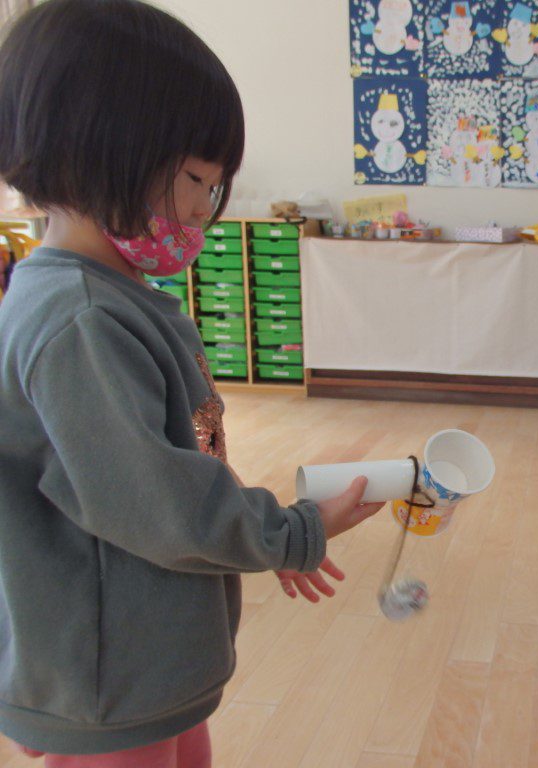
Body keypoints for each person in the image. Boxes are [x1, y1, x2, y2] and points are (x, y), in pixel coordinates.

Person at [0, 2, 383, 765]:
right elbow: (158, 500)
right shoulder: (81, 320)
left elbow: (180, 460)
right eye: (196, 181)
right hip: (109, 678)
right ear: (103, 151)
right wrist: (290, 531)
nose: (205, 211)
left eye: (216, 186)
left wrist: (264, 540)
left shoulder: (115, 297)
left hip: (150, 658)